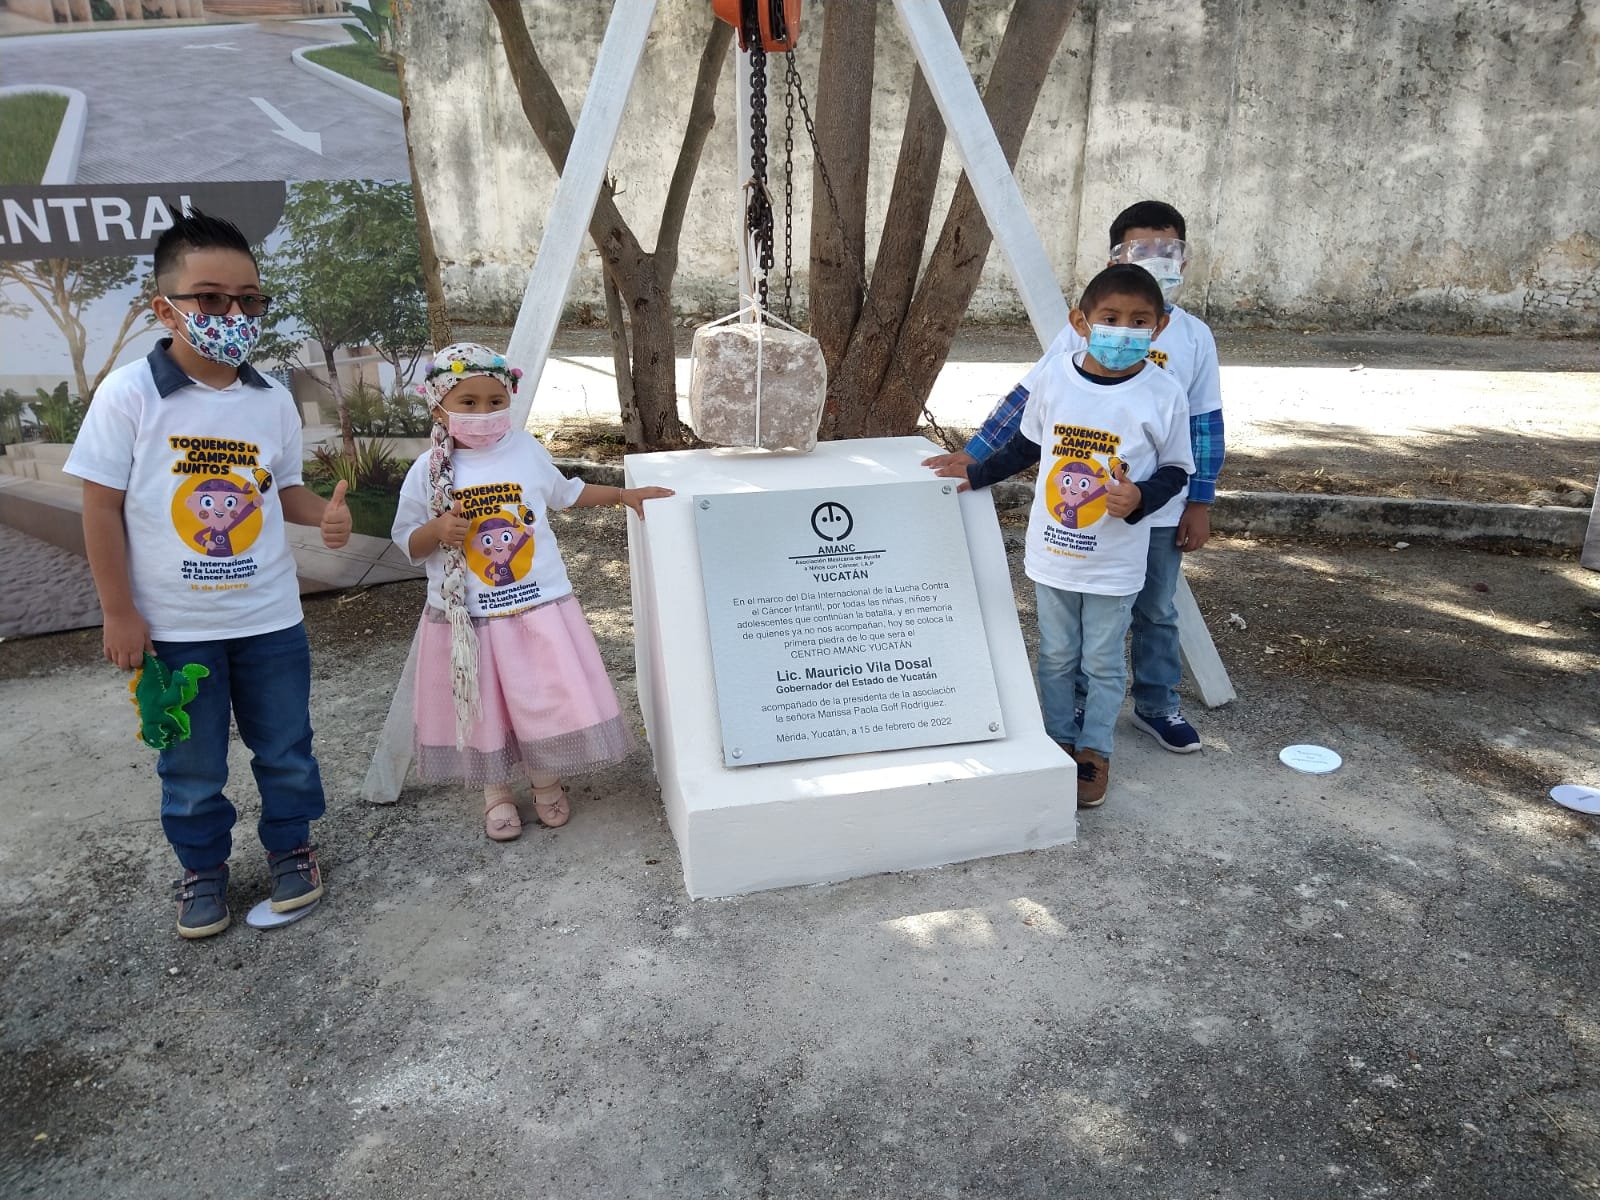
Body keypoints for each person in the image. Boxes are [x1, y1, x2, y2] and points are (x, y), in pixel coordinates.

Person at [65, 208, 351, 939]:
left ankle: (292, 848)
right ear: (165, 308)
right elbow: (100, 508)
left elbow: (281, 489)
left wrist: (323, 514)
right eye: (212, 299)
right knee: (190, 766)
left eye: (248, 299)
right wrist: (118, 611)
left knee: (286, 749)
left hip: (271, 621)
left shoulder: (270, 398)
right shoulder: (129, 395)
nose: (234, 315)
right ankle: (202, 868)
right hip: (174, 630)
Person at [926, 200, 1223, 754]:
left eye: (1167, 249)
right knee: (1079, 629)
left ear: (1183, 258)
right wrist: (978, 456)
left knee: (1157, 609)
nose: (1155, 259)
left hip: (1158, 509)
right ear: (1114, 258)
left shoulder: (1192, 337)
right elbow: (1031, 405)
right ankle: (1078, 713)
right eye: (1140, 248)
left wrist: (1199, 502)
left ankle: (1156, 704)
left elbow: (1204, 426)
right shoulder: (1086, 331)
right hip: (1082, 519)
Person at [392, 343, 673, 841]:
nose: (484, 412)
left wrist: (622, 495)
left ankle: (546, 780)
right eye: (469, 402)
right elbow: (407, 541)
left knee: (540, 700)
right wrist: (436, 530)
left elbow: (566, 492)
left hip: (535, 608)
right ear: (438, 408)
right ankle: (496, 792)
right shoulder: (426, 472)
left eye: (495, 401)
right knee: (484, 707)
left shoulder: (524, 450)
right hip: (470, 619)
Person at [947, 265, 1193, 807]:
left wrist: (1141, 497)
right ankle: (1057, 740)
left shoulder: (1164, 392)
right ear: (1080, 322)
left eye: (1139, 322)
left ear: (1159, 327)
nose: (1124, 331)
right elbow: (1026, 445)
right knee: (1057, 655)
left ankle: (1094, 751)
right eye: (1111, 318)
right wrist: (975, 473)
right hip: (1055, 553)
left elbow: (1177, 469)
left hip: (1115, 561)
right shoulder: (1056, 377)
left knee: (1102, 662)